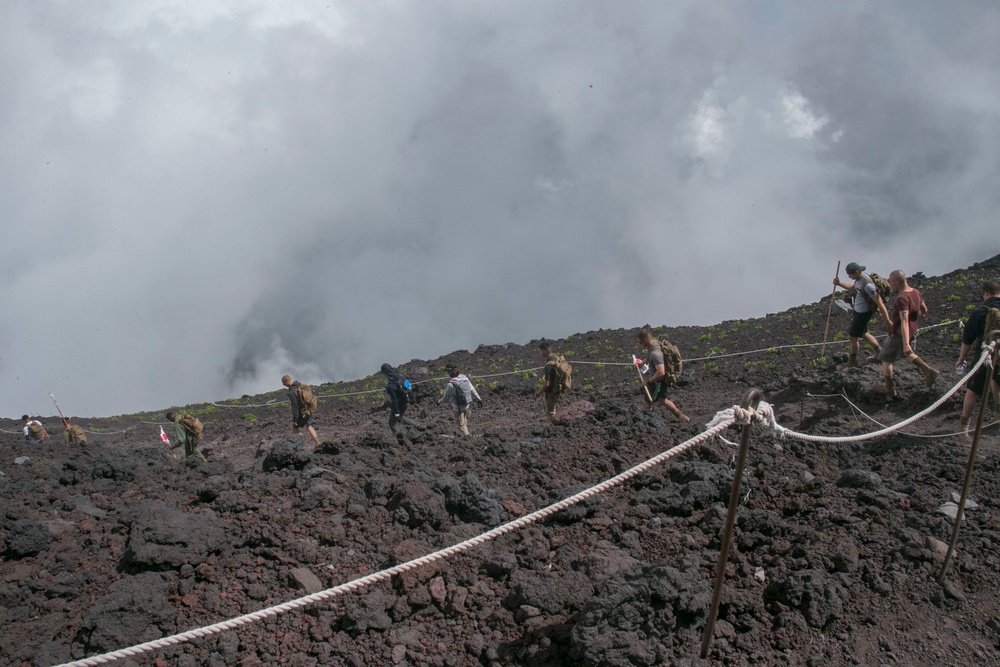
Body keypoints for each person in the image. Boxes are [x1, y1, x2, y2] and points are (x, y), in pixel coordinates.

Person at [874, 270, 939, 398]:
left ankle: (889, 389)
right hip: (913, 329)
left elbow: (904, 320)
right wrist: (916, 317)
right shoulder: (915, 292)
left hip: (899, 334)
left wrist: (906, 343)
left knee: (886, 361)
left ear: (897, 283)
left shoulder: (901, 298)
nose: (890, 285)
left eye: (891, 282)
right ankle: (929, 371)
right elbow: (924, 309)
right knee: (906, 354)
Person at [955, 279, 1000, 438]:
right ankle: (998, 414)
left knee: (973, 389)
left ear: (986, 293)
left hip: (985, 353)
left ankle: (964, 425)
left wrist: (962, 358)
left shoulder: (980, 311)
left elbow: (968, 338)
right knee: (996, 379)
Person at [833, 262, 890, 368]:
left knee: (852, 336)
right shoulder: (859, 280)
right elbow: (853, 288)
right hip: (859, 311)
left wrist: (887, 320)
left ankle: (853, 361)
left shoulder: (868, 286)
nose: (848, 276)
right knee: (863, 333)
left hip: (863, 313)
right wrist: (839, 283)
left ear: (857, 272)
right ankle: (880, 354)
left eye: (850, 274)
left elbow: (879, 303)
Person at [636, 327, 690, 422]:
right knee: (659, 399)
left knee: (655, 400)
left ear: (646, 340)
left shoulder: (655, 354)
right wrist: (643, 362)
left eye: (641, 342)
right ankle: (681, 416)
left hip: (658, 381)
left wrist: (648, 381)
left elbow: (661, 372)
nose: (641, 345)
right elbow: (650, 356)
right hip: (657, 380)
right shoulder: (655, 344)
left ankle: (646, 420)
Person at [437, 364, 483, 437]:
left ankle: (469, 440)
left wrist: (438, 402)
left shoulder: (451, 384)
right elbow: (472, 389)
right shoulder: (465, 378)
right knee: (463, 421)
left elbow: (445, 397)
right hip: (466, 404)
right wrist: (479, 399)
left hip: (458, 407)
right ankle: (468, 436)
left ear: (449, 372)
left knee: (461, 426)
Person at [281, 375, 321, 448]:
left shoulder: (291, 392)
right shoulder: (300, 385)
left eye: (284, 384)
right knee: (308, 425)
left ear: (287, 382)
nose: (284, 385)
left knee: (295, 429)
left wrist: (295, 420)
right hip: (308, 409)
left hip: (301, 413)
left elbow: (295, 407)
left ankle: (306, 446)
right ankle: (317, 443)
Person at [533, 342, 566, 422]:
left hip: (551, 391)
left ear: (544, 351)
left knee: (551, 413)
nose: (540, 353)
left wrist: (537, 394)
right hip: (557, 388)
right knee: (545, 405)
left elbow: (546, 384)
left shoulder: (548, 366)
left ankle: (555, 426)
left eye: (540, 351)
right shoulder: (556, 358)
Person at [381, 363, 417, 434]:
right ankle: (418, 426)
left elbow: (394, 401)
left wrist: (396, 412)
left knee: (392, 423)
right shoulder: (399, 375)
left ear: (386, 373)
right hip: (406, 400)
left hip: (399, 403)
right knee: (401, 417)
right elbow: (405, 386)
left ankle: (400, 436)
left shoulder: (391, 386)